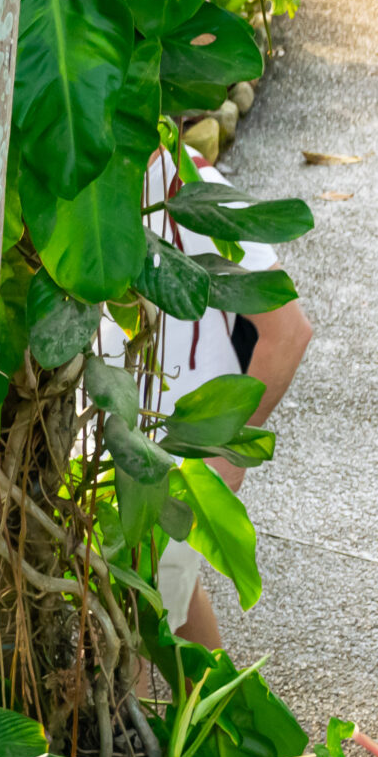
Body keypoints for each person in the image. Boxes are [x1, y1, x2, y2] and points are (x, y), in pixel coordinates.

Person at [105, 137, 313, 649]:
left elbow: (287, 333)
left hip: (169, 460)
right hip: (112, 452)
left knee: (124, 635)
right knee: (171, 597)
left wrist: (225, 449)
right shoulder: (84, 176)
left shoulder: (189, 188)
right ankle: (225, 727)